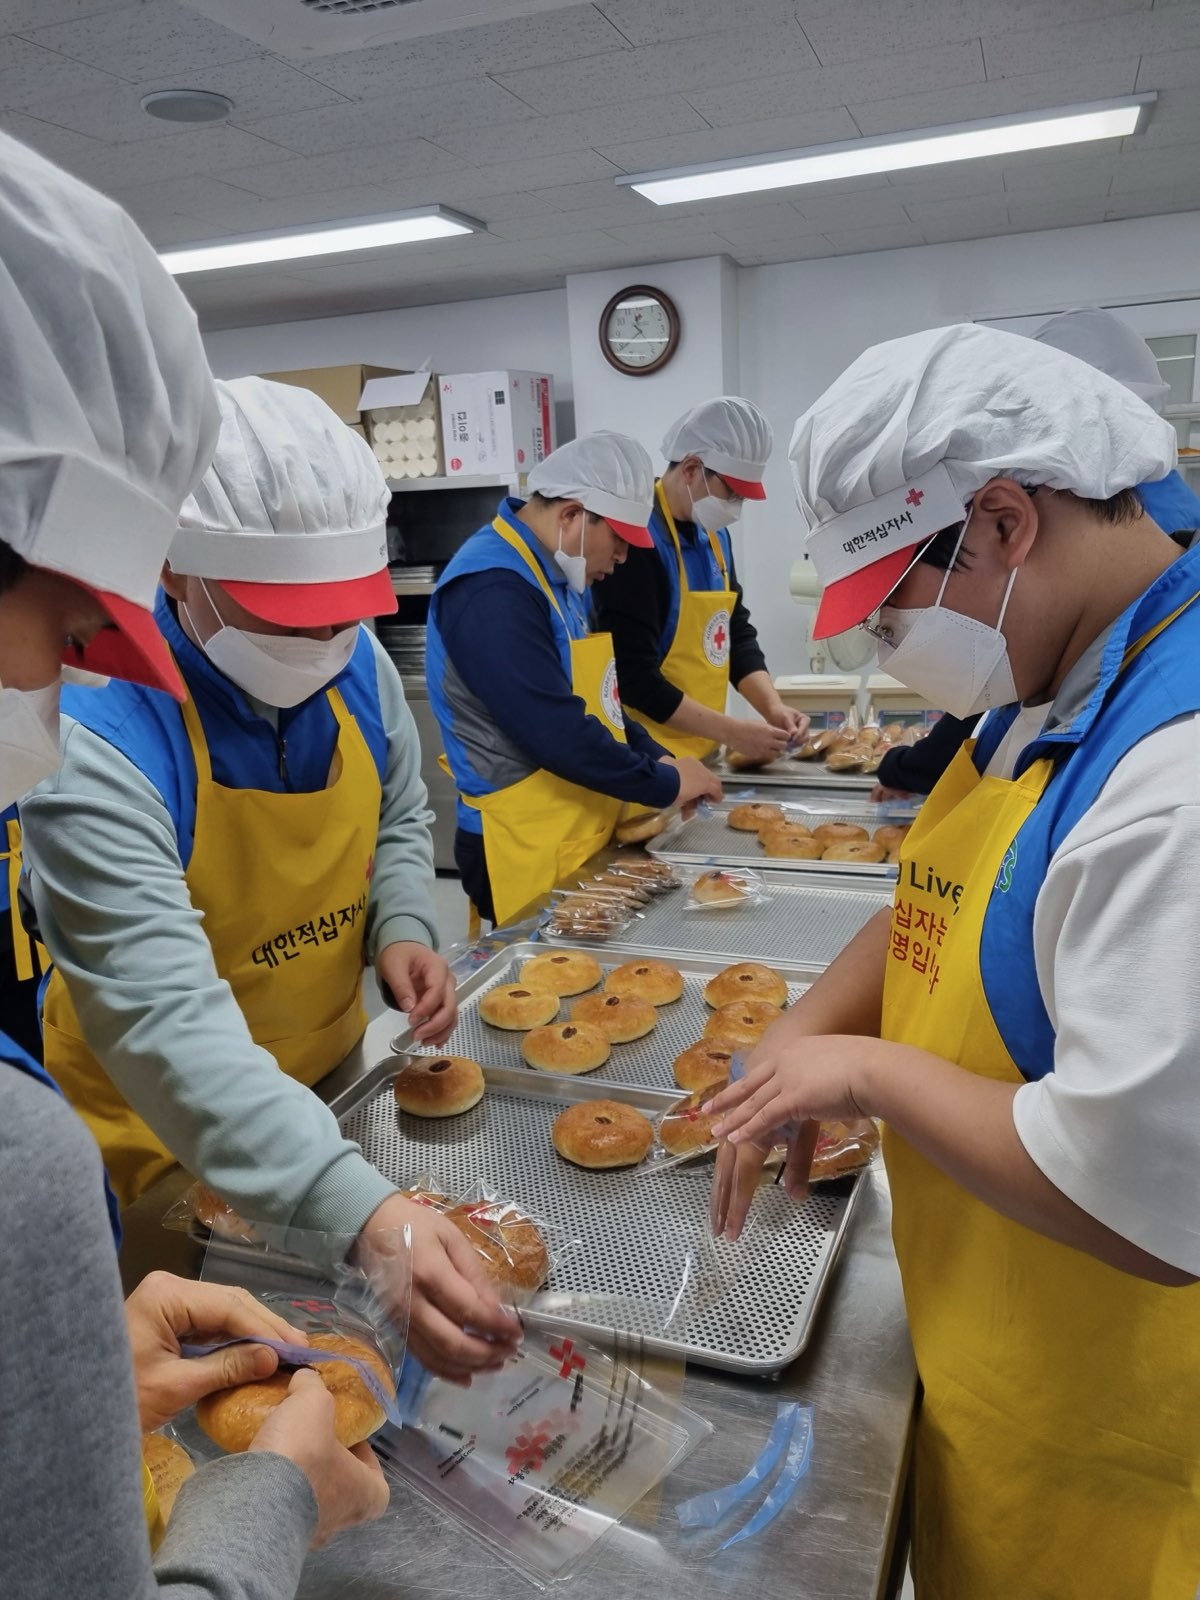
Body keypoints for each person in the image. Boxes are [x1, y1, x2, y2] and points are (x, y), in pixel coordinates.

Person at [709, 324, 1199, 1600]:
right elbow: (944, 903)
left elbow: (1135, 1199)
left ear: (998, 523)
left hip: (1116, 1441)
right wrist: (798, 1034)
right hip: (997, 1344)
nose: (885, 654)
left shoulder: (1173, 784)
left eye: (890, 613)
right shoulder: (1058, 669)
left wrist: (866, 1072)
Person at [0, 131, 386, 1599]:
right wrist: (268, 1507)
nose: (94, 662)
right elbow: (157, 1018)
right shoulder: (17, 1169)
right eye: (72, 613)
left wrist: (72, 1369)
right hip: (165, 1151)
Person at [21, 375, 520, 1382]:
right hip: (161, 1138)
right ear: (175, 573)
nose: (319, 647)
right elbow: (168, 1028)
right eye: (284, 619)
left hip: (325, 1092)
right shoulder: (98, 739)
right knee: (210, 1393)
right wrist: (366, 1218)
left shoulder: (356, 662)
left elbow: (400, 809)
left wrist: (401, 922)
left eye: (339, 618)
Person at [869, 307, 1200, 801]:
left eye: (891, 594)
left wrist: (903, 768)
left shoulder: (1167, 778)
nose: (885, 632)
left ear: (1008, 523)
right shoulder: (1062, 636)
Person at [426, 431, 722, 926]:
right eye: (621, 543)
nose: (624, 560)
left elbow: (600, 703)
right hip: (520, 844)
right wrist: (663, 781)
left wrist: (660, 755)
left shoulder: (557, 576)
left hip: (573, 828)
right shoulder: (491, 590)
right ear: (570, 517)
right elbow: (554, 729)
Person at [594, 396, 808, 763]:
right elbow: (633, 678)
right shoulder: (638, 543)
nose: (736, 506)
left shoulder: (713, 535)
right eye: (732, 492)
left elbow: (733, 631)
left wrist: (771, 707)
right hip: (649, 757)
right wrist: (732, 731)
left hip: (701, 751)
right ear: (691, 468)